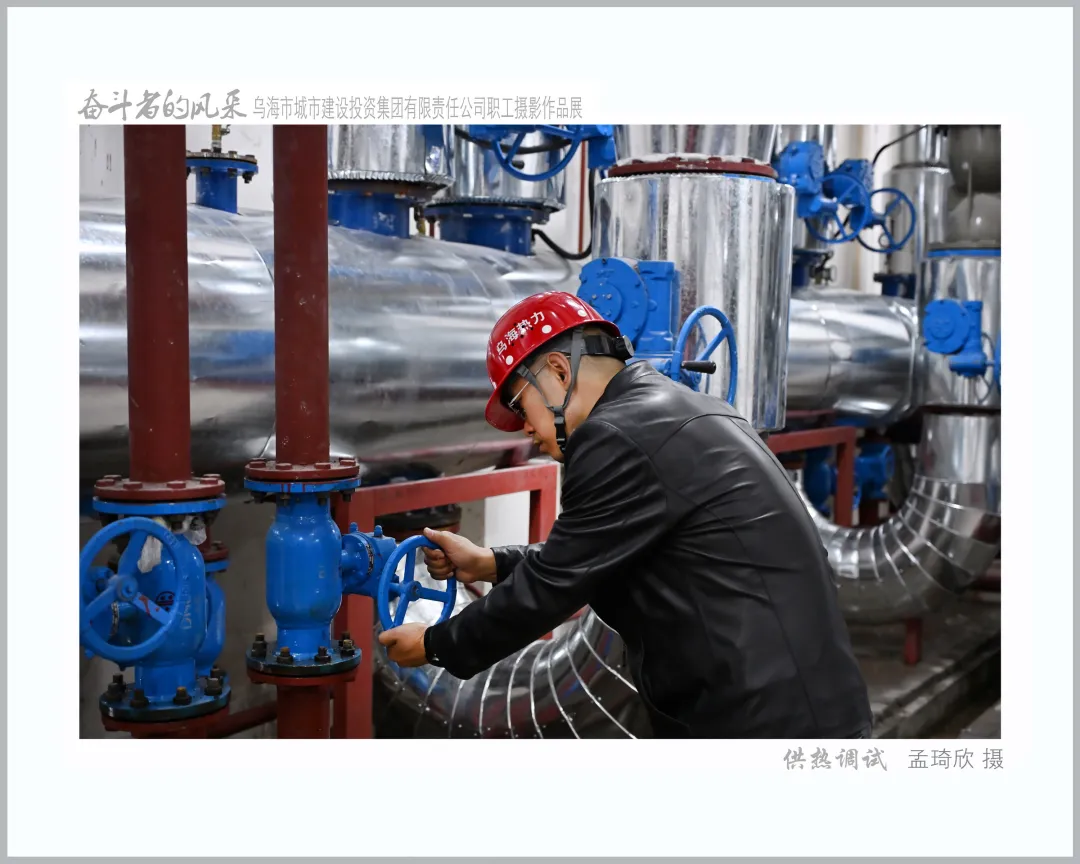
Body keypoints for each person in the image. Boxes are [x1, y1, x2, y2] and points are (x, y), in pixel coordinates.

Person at [378, 291, 873, 738]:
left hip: (755, 723)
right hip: (806, 707)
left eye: (521, 406)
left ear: (559, 371)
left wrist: (437, 643)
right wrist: (491, 562)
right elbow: (596, 550)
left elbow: (553, 585)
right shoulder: (683, 409)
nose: (525, 429)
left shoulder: (613, 436)